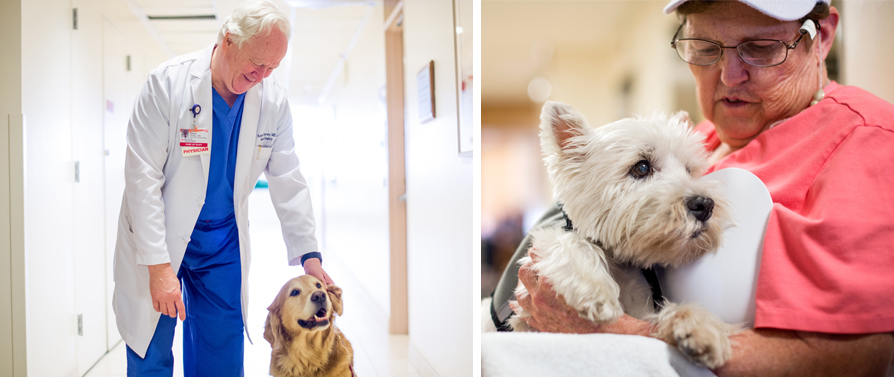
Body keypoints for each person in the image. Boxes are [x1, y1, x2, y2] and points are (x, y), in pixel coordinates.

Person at [493, 0, 894, 375]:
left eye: (760, 47)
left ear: (821, 36)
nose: (727, 74)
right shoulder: (695, 138)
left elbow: (856, 358)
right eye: (704, 47)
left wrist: (616, 334)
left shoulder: (863, 141)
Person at [111, 1, 332, 375]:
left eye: (272, 68)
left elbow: (287, 177)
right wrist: (159, 267)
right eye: (256, 64)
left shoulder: (271, 101)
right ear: (228, 40)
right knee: (151, 349)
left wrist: (310, 256)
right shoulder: (167, 84)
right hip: (159, 237)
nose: (261, 76)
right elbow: (142, 177)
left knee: (222, 352)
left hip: (222, 244)